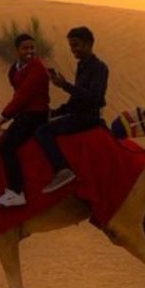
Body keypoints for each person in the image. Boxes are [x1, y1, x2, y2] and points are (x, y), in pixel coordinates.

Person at [35, 26, 109, 193]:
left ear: (89, 43)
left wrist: (65, 86)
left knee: (43, 132)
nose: (73, 50)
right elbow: (77, 98)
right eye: (71, 46)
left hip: (87, 118)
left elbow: (94, 98)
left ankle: (62, 170)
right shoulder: (82, 65)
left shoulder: (99, 68)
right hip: (77, 114)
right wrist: (57, 112)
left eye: (76, 45)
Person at [0, 33, 51, 207]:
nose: (30, 51)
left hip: (36, 115)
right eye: (25, 48)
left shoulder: (38, 68)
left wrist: (4, 116)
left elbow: (24, 96)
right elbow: (18, 93)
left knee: (6, 147)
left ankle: (16, 192)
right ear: (17, 50)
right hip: (24, 114)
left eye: (32, 47)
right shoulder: (16, 69)